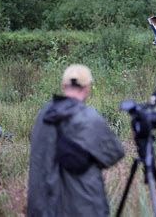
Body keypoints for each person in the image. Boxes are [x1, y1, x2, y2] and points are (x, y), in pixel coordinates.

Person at [27, 64, 125, 217]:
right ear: (87, 88)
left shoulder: (43, 116)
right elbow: (114, 153)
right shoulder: (89, 117)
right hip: (82, 206)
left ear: (63, 86)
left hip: (43, 206)